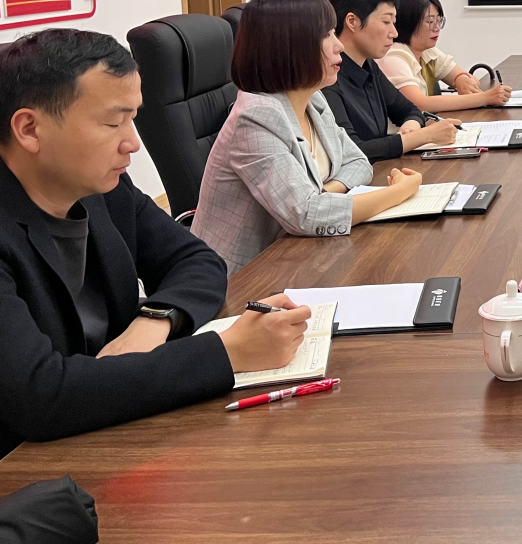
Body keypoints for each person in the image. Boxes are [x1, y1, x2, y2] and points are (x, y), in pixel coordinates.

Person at [0, 29, 309, 457]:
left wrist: (154, 321)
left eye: (133, 118)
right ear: (29, 129)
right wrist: (227, 353)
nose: (133, 143)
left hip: (110, 432)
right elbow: (41, 396)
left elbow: (198, 260)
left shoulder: (103, 189)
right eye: (113, 123)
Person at [193, 0, 427, 274]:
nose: (338, 45)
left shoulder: (313, 98)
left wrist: (325, 193)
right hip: (244, 277)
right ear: (291, 47)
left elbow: (358, 162)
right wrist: (399, 192)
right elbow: (306, 214)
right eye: (327, 35)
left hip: (299, 255)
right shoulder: (255, 117)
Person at [322, 0, 460, 161]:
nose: (394, 33)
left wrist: (411, 126)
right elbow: (351, 149)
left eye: (394, 23)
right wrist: (422, 136)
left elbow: (409, 110)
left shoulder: (369, 65)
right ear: (352, 21)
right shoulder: (328, 77)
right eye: (386, 22)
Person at [380, 0, 512, 113]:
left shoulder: (427, 51)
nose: (437, 27)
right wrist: (485, 98)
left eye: (439, 20)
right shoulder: (393, 57)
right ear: (407, 22)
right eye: (430, 21)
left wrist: (460, 78)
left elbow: (470, 79)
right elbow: (420, 104)